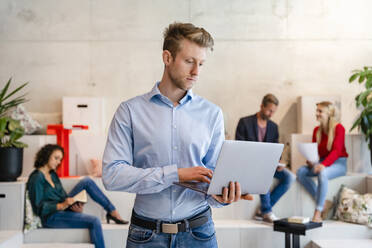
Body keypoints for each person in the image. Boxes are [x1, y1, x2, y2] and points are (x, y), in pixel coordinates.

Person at [102, 22, 252, 248]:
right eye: (189, 61)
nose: (196, 72)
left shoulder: (212, 114)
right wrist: (175, 174)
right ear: (167, 57)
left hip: (199, 233)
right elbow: (112, 175)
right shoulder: (130, 111)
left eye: (201, 64)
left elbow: (212, 177)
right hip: (146, 235)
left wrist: (222, 197)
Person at [27, 144, 128, 248]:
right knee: (94, 221)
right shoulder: (36, 178)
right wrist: (62, 205)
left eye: (60, 159)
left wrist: (73, 205)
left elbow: (62, 196)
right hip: (51, 216)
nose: (58, 162)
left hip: (63, 208)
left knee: (87, 181)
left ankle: (112, 211)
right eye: (56, 158)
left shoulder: (52, 174)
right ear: (46, 156)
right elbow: (38, 207)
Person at [235, 94, 295, 223]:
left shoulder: (273, 127)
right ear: (261, 106)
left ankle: (263, 210)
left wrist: (278, 162)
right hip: (250, 165)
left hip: (268, 164)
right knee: (265, 172)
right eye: (269, 110)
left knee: (290, 177)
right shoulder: (244, 122)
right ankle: (267, 211)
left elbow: (275, 149)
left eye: (273, 111)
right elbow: (239, 148)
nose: (271, 114)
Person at [296, 101, 348, 222]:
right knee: (301, 172)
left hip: (339, 163)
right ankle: (324, 203)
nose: (317, 113)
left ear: (329, 114)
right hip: (323, 161)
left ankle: (318, 212)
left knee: (322, 173)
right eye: (317, 111)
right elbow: (316, 152)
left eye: (320, 111)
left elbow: (336, 151)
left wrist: (323, 165)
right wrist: (312, 161)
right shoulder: (316, 131)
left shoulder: (339, 128)